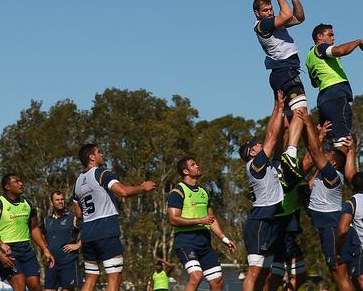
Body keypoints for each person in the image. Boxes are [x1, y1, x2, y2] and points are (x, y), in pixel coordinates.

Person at [73, 144, 157, 291]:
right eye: (99, 152)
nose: (102, 154)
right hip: (105, 230)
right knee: (114, 276)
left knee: (91, 277)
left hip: (87, 234)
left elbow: (78, 212)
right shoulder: (101, 173)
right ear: (92, 157)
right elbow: (122, 191)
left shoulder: (78, 182)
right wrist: (143, 187)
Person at [253, 0, 308, 172]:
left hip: (281, 73)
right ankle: (291, 153)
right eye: (266, 10)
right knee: (301, 109)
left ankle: (276, 163)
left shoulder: (275, 22)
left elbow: (299, 17)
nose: (269, 12)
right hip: (285, 71)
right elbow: (287, 15)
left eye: (270, 9)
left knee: (285, 121)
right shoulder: (263, 25)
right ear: (257, 13)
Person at [297, 111, 355, 291]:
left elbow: (315, 152)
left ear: (334, 164)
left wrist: (307, 123)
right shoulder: (323, 175)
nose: (324, 158)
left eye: (327, 159)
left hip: (330, 226)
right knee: (337, 273)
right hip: (325, 226)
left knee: (338, 272)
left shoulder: (332, 176)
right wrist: (321, 135)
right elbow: (317, 157)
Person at [237, 91, 286, 291]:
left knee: (265, 273)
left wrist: (283, 122)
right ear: (251, 153)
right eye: (254, 145)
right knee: (255, 271)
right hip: (260, 220)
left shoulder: (267, 165)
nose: (258, 144)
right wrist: (278, 108)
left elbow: (278, 143)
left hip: (271, 219)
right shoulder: (255, 165)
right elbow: (271, 138)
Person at [167, 157, 237, 291]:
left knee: (217, 281)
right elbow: (173, 219)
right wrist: (200, 220)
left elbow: (211, 218)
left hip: (204, 243)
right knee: (196, 276)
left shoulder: (204, 192)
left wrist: (225, 239)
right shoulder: (177, 191)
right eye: (193, 165)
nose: (198, 166)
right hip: (186, 242)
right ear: (186, 171)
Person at [305, 23, 363, 151]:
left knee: (328, 144)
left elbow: (314, 83)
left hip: (323, 101)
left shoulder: (309, 57)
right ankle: (340, 170)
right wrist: (358, 41)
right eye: (330, 35)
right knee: (343, 141)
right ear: (319, 37)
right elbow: (340, 51)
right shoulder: (321, 48)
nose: (333, 39)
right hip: (336, 96)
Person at [0, 174, 54, 291]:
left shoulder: (28, 204)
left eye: (21, 181)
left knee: (36, 287)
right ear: (7, 187)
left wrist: (45, 249)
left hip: (26, 249)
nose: (21, 184)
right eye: (17, 181)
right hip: (8, 251)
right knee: (20, 287)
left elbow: (34, 228)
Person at [41, 191, 82, 291]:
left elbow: (88, 230)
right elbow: (39, 233)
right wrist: (45, 248)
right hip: (51, 262)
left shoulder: (72, 217)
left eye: (62, 199)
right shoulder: (47, 220)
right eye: (57, 200)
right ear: (51, 202)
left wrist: (78, 245)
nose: (60, 202)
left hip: (68, 261)